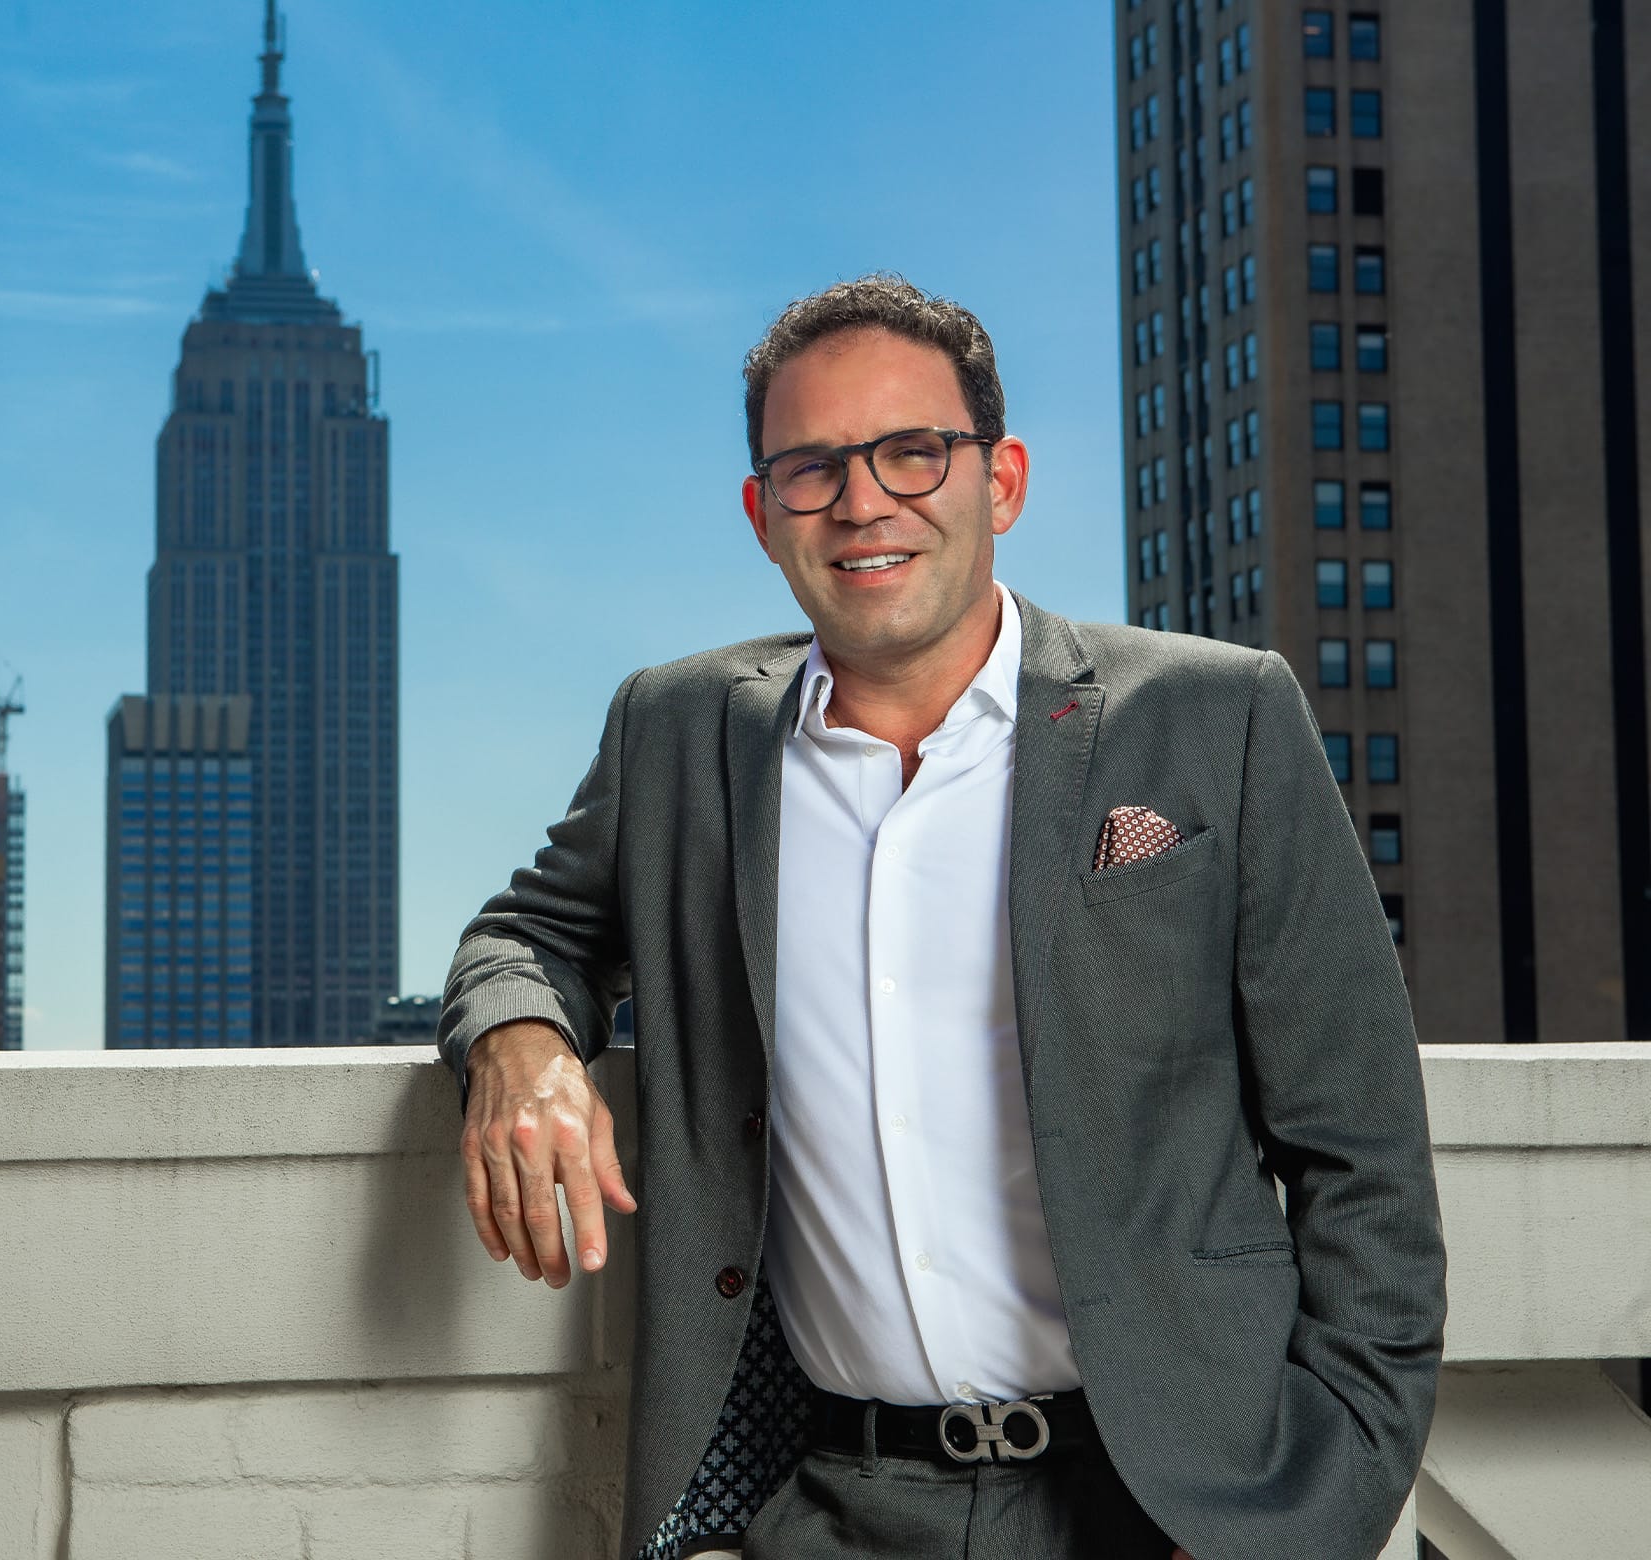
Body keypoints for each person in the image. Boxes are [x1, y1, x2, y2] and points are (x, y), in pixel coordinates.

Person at [439, 275, 1445, 1560]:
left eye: (913, 452)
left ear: (1001, 480)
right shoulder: (677, 733)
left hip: (1174, 1509)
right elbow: (531, 934)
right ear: (761, 514)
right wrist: (520, 1047)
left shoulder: (1218, 717)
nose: (863, 502)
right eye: (811, 468)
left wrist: (1306, 1519)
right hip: (817, 1504)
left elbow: (1365, 1159)